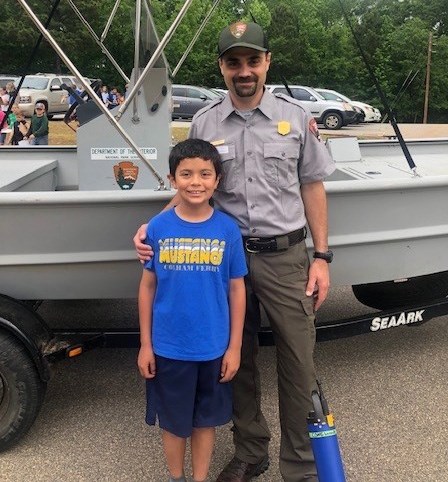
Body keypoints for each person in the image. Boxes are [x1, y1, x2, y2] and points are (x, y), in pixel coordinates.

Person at [134, 21, 336, 482]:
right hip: (223, 260)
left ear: (266, 62)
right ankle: (250, 449)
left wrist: (321, 257)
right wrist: (155, 225)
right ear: (223, 68)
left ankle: (300, 466)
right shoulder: (205, 121)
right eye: (233, 62)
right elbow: (194, 184)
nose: (243, 71)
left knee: (298, 361)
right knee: (237, 359)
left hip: (285, 258)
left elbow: (313, 186)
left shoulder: (297, 117)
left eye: (252, 61)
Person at [138, 138, 247, 482]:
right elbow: (148, 286)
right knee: (173, 423)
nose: (195, 182)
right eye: (186, 174)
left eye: (204, 174)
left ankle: (200, 478)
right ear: (172, 180)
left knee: (205, 421)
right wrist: (145, 344)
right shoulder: (157, 228)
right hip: (169, 347)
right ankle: (177, 477)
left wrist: (234, 347)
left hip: (213, 348)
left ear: (217, 180)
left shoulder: (228, 230)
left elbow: (236, 289)